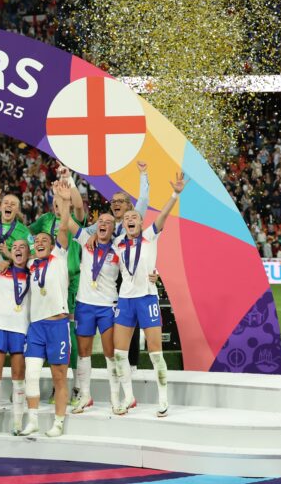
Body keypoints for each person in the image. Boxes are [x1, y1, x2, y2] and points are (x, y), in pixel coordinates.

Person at [113, 172, 188, 418]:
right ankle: (128, 397)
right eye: (127, 218)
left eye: (134, 217)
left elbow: (163, 215)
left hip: (147, 298)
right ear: (123, 223)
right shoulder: (117, 243)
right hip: (125, 300)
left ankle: (163, 398)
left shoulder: (149, 235)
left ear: (141, 221)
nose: (130, 219)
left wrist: (175, 194)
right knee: (119, 354)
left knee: (156, 353)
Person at [27, 164, 85, 405]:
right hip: (50, 284)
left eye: (61, 201)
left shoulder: (73, 220)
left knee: (71, 334)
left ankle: (77, 387)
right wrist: (30, 252)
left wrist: (68, 182)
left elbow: (78, 206)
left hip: (74, 283)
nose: (57, 204)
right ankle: (56, 387)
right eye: (55, 201)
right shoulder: (44, 220)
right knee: (55, 332)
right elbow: (26, 235)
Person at [84, 161, 150, 373]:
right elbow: (86, 233)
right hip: (109, 276)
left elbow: (144, 199)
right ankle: (118, 362)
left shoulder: (133, 219)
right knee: (118, 320)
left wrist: (143, 174)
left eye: (120, 201)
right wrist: (93, 234)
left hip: (129, 275)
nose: (116, 204)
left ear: (129, 206)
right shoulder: (107, 222)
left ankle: (132, 363)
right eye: (113, 201)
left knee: (132, 318)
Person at [21, 181, 72, 437]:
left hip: (58, 325)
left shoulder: (59, 256)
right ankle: (32, 421)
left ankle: (59, 422)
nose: (40, 242)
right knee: (31, 375)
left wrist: (64, 200)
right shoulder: (30, 265)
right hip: (36, 327)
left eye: (45, 240)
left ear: (52, 246)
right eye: (37, 240)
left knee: (59, 377)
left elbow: (63, 227)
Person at [68, 212, 121, 413]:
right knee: (83, 353)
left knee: (110, 353)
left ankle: (115, 398)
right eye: (101, 221)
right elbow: (68, 221)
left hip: (107, 305)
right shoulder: (86, 241)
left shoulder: (118, 247)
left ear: (113, 229)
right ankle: (85, 396)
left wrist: (153, 274)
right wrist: (63, 199)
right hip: (84, 305)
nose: (103, 224)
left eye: (108, 222)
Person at [0, 239, 31, 436]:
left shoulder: (33, 272)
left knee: (18, 376)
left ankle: (17, 423)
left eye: (22, 247)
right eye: (14, 247)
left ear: (28, 253)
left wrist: (11, 257)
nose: (18, 249)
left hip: (21, 328)